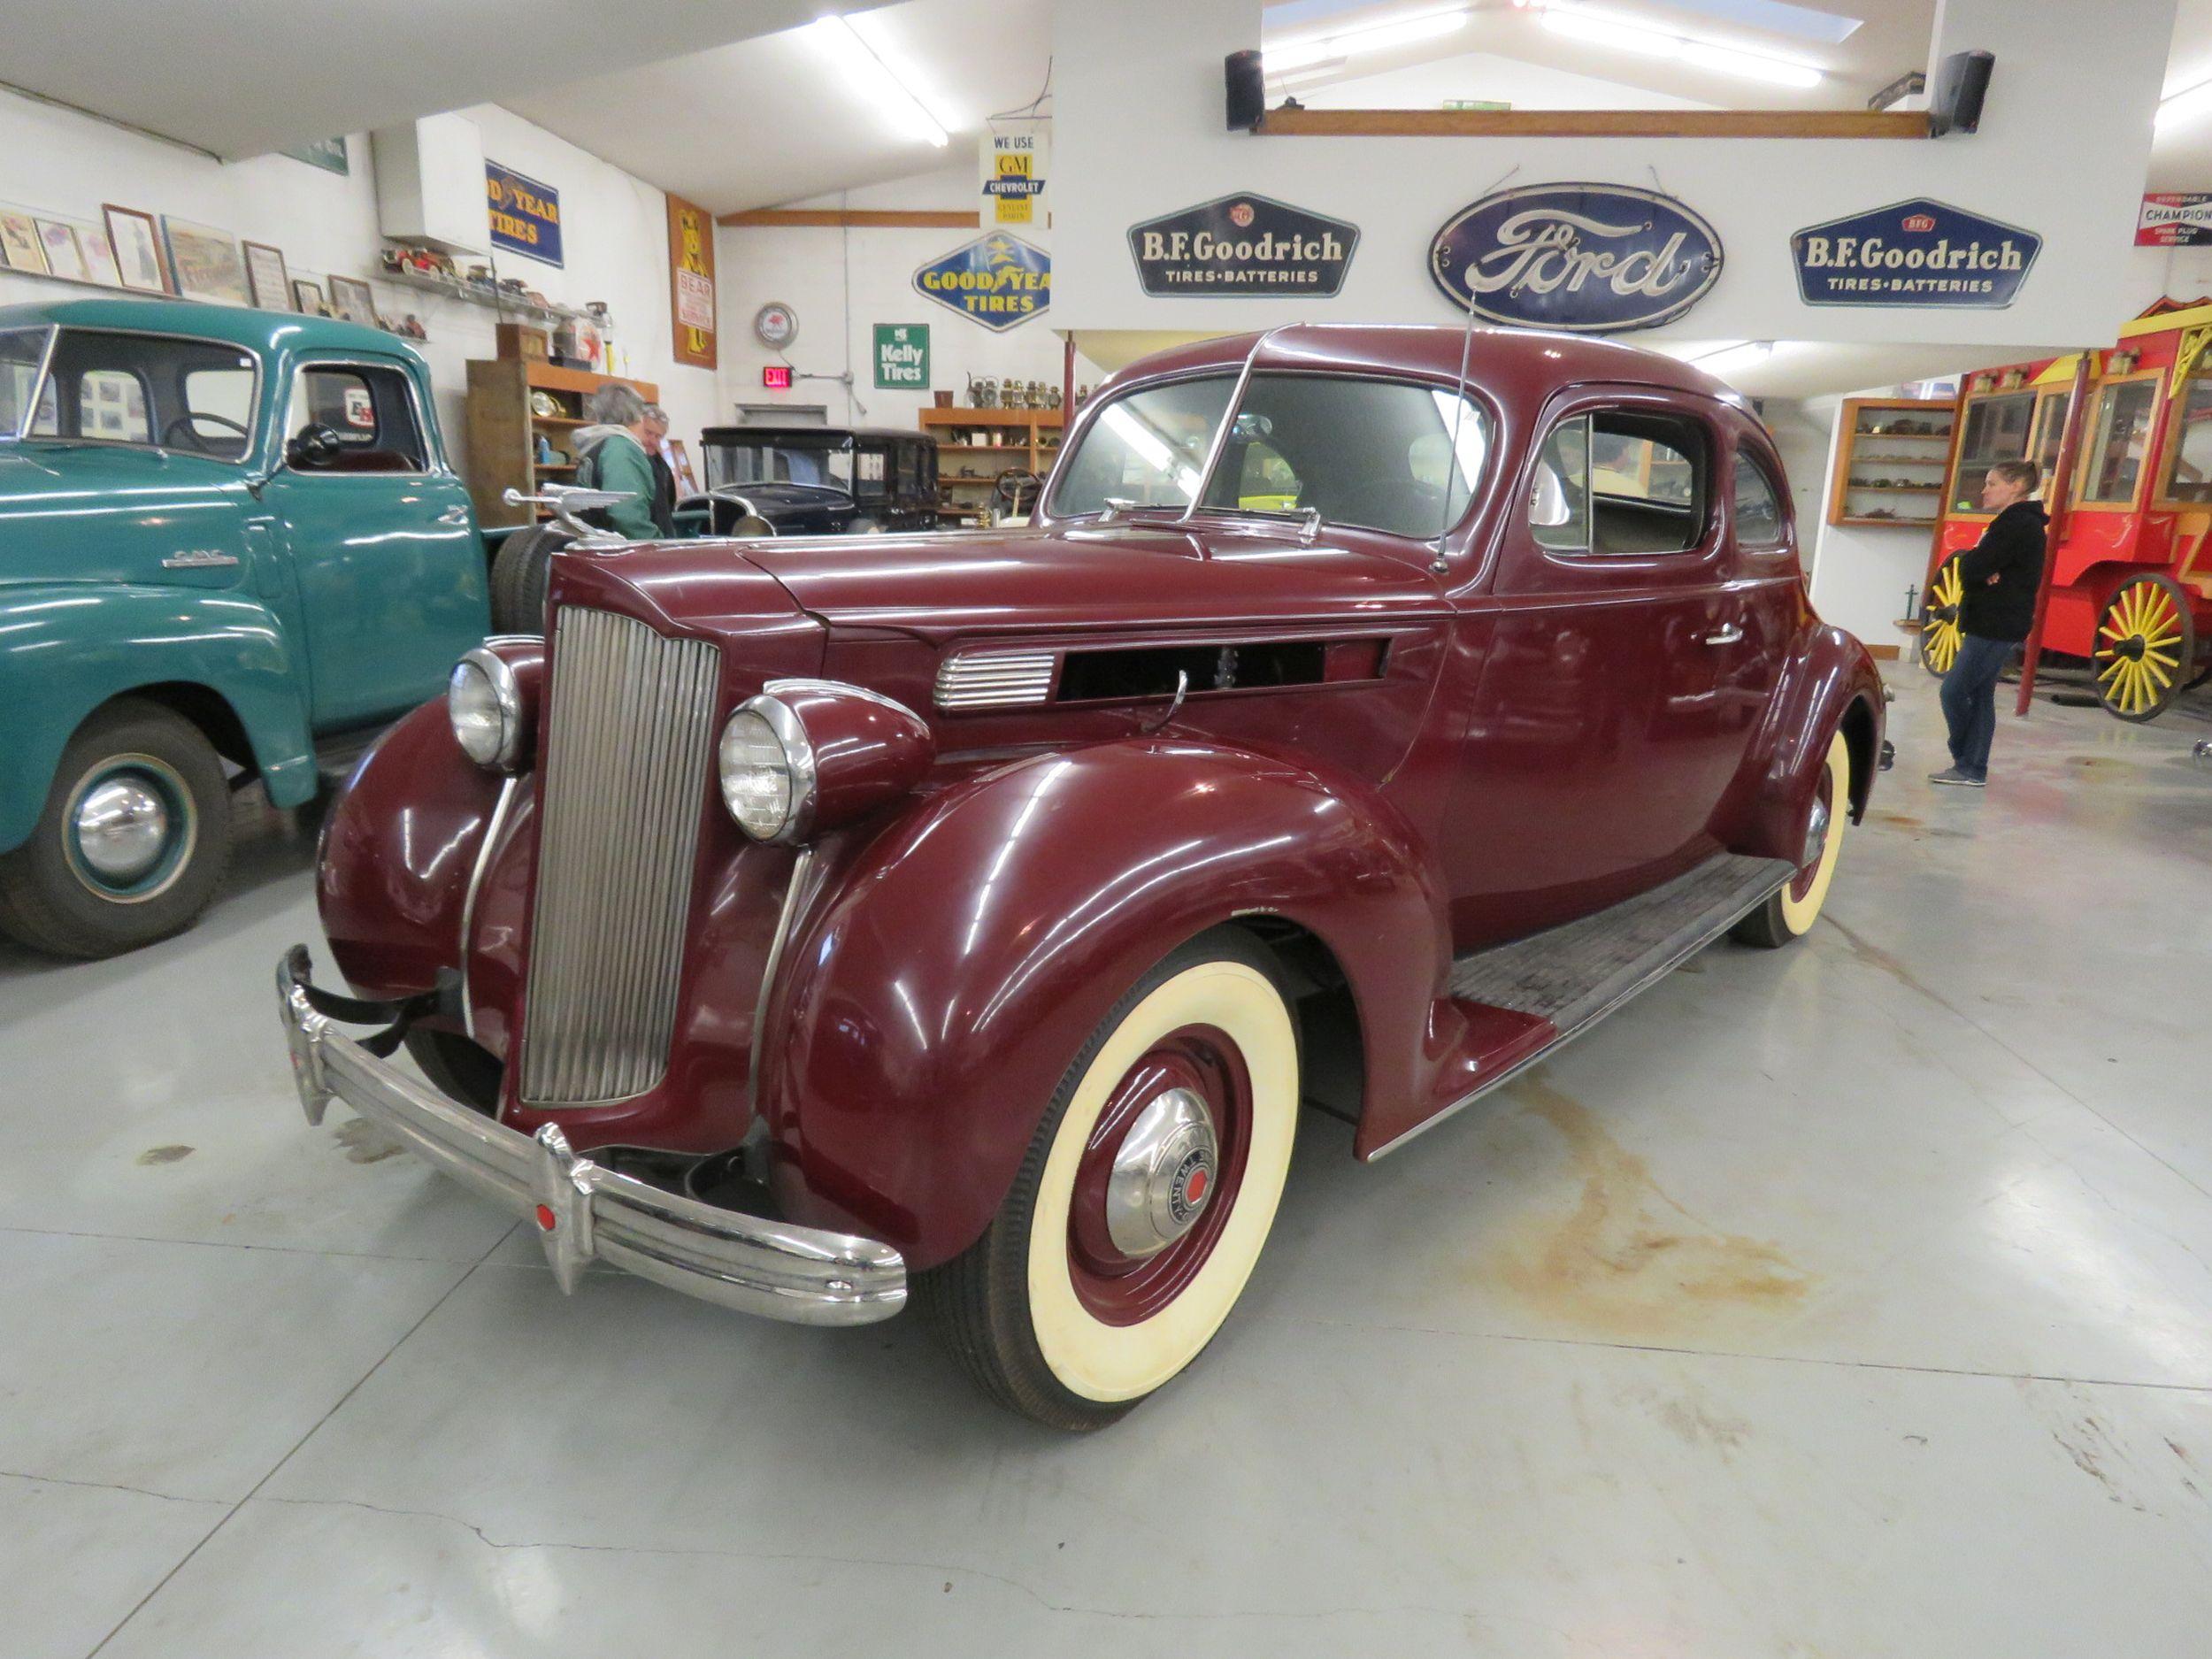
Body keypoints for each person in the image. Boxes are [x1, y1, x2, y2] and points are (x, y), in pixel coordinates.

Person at [1931, 458, 2047, 787]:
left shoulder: (2016, 525)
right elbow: (1979, 567)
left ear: (2016, 486)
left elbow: (1969, 570)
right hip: (1997, 619)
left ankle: (1964, 757)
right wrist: (1981, 565)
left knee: (1953, 691)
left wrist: (1977, 563)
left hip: (1995, 622)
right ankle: (1972, 768)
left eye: (1992, 483)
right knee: (1981, 695)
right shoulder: (2016, 523)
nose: (1984, 491)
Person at [570, 385, 660, 540]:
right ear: (638, 415)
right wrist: (657, 545)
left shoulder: (596, 445)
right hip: (625, 553)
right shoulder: (622, 449)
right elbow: (626, 514)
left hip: (596, 546)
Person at [641, 403, 679, 537]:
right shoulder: (630, 462)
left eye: (658, 436)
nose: (652, 441)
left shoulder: (663, 468)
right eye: (648, 433)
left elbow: (669, 506)